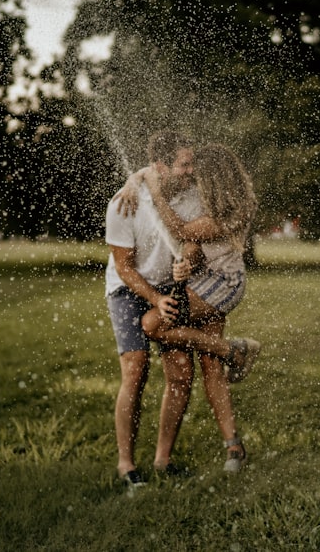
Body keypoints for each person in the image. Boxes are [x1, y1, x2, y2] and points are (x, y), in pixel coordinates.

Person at [119, 142, 261, 472]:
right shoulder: (209, 196)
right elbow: (190, 242)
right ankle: (234, 449)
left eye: (199, 169)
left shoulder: (232, 210)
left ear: (215, 177)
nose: (192, 172)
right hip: (202, 280)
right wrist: (133, 180)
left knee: (153, 325)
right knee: (211, 367)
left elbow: (183, 231)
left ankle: (234, 350)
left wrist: (154, 194)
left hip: (219, 284)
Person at [104, 131, 202, 487]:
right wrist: (155, 299)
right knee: (136, 368)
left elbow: (194, 241)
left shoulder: (192, 196)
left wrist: (188, 262)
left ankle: (163, 460)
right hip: (128, 289)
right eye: (184, 164)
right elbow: (125, 268)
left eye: (192, 162)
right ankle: (127, 466)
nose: (192, 170)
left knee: (180, 371)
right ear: (160, 166)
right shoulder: (124, 202)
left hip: (168, 286)